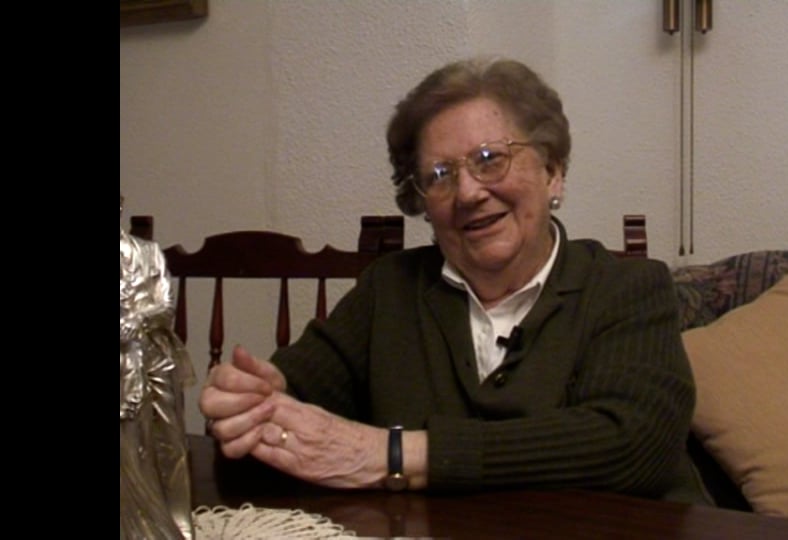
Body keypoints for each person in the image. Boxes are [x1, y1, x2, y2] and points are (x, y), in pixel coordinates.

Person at [199, 56, 708, 503]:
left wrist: (392, 455)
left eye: (490, 160)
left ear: (552, 171)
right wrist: (252, 406)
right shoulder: (389, 289)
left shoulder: (629, 288)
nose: (467, 193)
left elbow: (634, 446)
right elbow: (284, 413)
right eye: (440, 175)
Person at [121, 195, 196, 539]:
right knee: (130, 445)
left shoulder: (149, 252)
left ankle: (177, 524)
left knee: (170, 443)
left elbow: (165, 305)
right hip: (123, 363)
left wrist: (138, 320)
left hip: (155, 356)